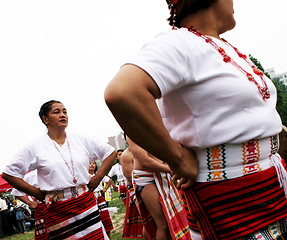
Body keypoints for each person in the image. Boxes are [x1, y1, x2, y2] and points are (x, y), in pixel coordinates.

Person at [104, 0, 287, 239]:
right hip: (231, 193)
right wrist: (176, 158)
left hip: (270, 182)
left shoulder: (221, 47)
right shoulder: (180, 43)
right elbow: (122, 92)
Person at [2, 100, 117, 240]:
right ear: (45, 119)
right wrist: (36, 193)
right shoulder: (35, 146)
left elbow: (110, 152)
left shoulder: (81, 140)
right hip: (57, 209)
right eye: (57, 112)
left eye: (65, 111)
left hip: (86, 203)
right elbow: (9, 173)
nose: (63, 115)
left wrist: (98, 177)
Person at [126, 136, 191, 240]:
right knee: (162, 224)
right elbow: (144, 162)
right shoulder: (132, 130)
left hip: (162, 174)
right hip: (146, 179)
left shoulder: (153, 124)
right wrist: (173, 169)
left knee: (164, 221)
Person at [89, 160, 114, 239]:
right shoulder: (85, 176)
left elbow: (109, 180)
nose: (92, 165)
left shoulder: (98, 175)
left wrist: (105, 189)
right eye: (90, 163)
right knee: (94, 221)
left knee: (105, 219)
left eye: (94, 163)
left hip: (100, 199)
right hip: (91, 200)